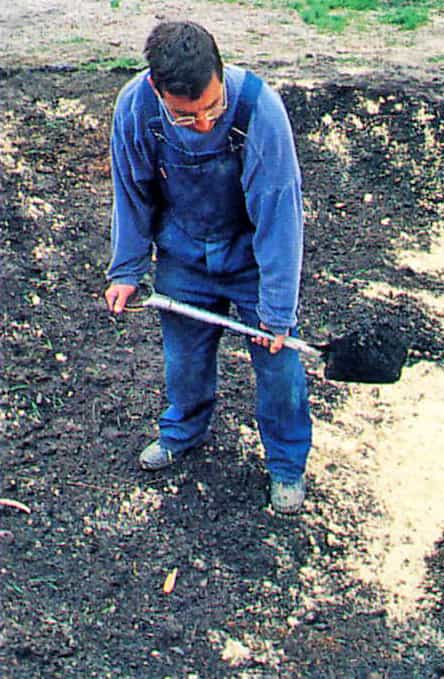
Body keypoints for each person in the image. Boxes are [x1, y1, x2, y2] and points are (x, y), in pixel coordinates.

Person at [104, 21, 312, 514]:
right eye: (184, 116)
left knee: (280, 369)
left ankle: (286, 465)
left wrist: (276, 311)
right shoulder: (135, 108)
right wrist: (126, 270)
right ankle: (182, 433)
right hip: (184, 258)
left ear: (221, 73)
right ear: (157, 89)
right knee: (185, 362)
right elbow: (131, 195)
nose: (201, 123)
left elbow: (280, 211)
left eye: (210, 110)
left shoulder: (259, 110)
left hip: (251, 262)